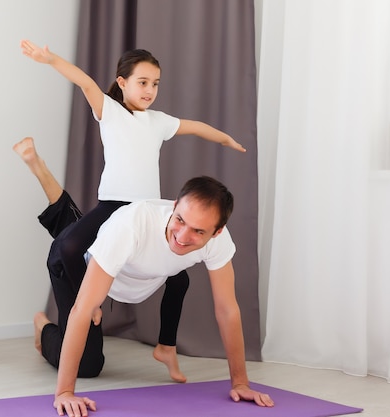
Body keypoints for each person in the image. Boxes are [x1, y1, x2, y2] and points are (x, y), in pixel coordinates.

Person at [20, 39, 246, 383]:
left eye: (155, 84)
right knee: (67, 246)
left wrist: (225, 139)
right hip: (113, 205)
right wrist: (49, 58)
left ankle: (166, 346)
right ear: (122, 82)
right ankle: (88, 304)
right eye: (142, 82)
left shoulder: (157, 121)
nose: (150, 90)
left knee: (179, 276)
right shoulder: (110, 112)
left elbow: (194, 127)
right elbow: (84, 82)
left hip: (145, 210)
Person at [20, 161, 275, 416]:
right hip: (79, 268)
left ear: (217, 232)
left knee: (178, 277)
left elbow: (227, 309)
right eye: (180, 221)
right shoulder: (132, 226)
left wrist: (241, 383)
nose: (183, 236)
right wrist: (64, 392)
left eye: (198, 231)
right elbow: (83, 308)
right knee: (89, 366)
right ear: (174, 206)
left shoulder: (217, 243)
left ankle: (166, 348)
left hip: (133, 271)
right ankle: (43, 327)